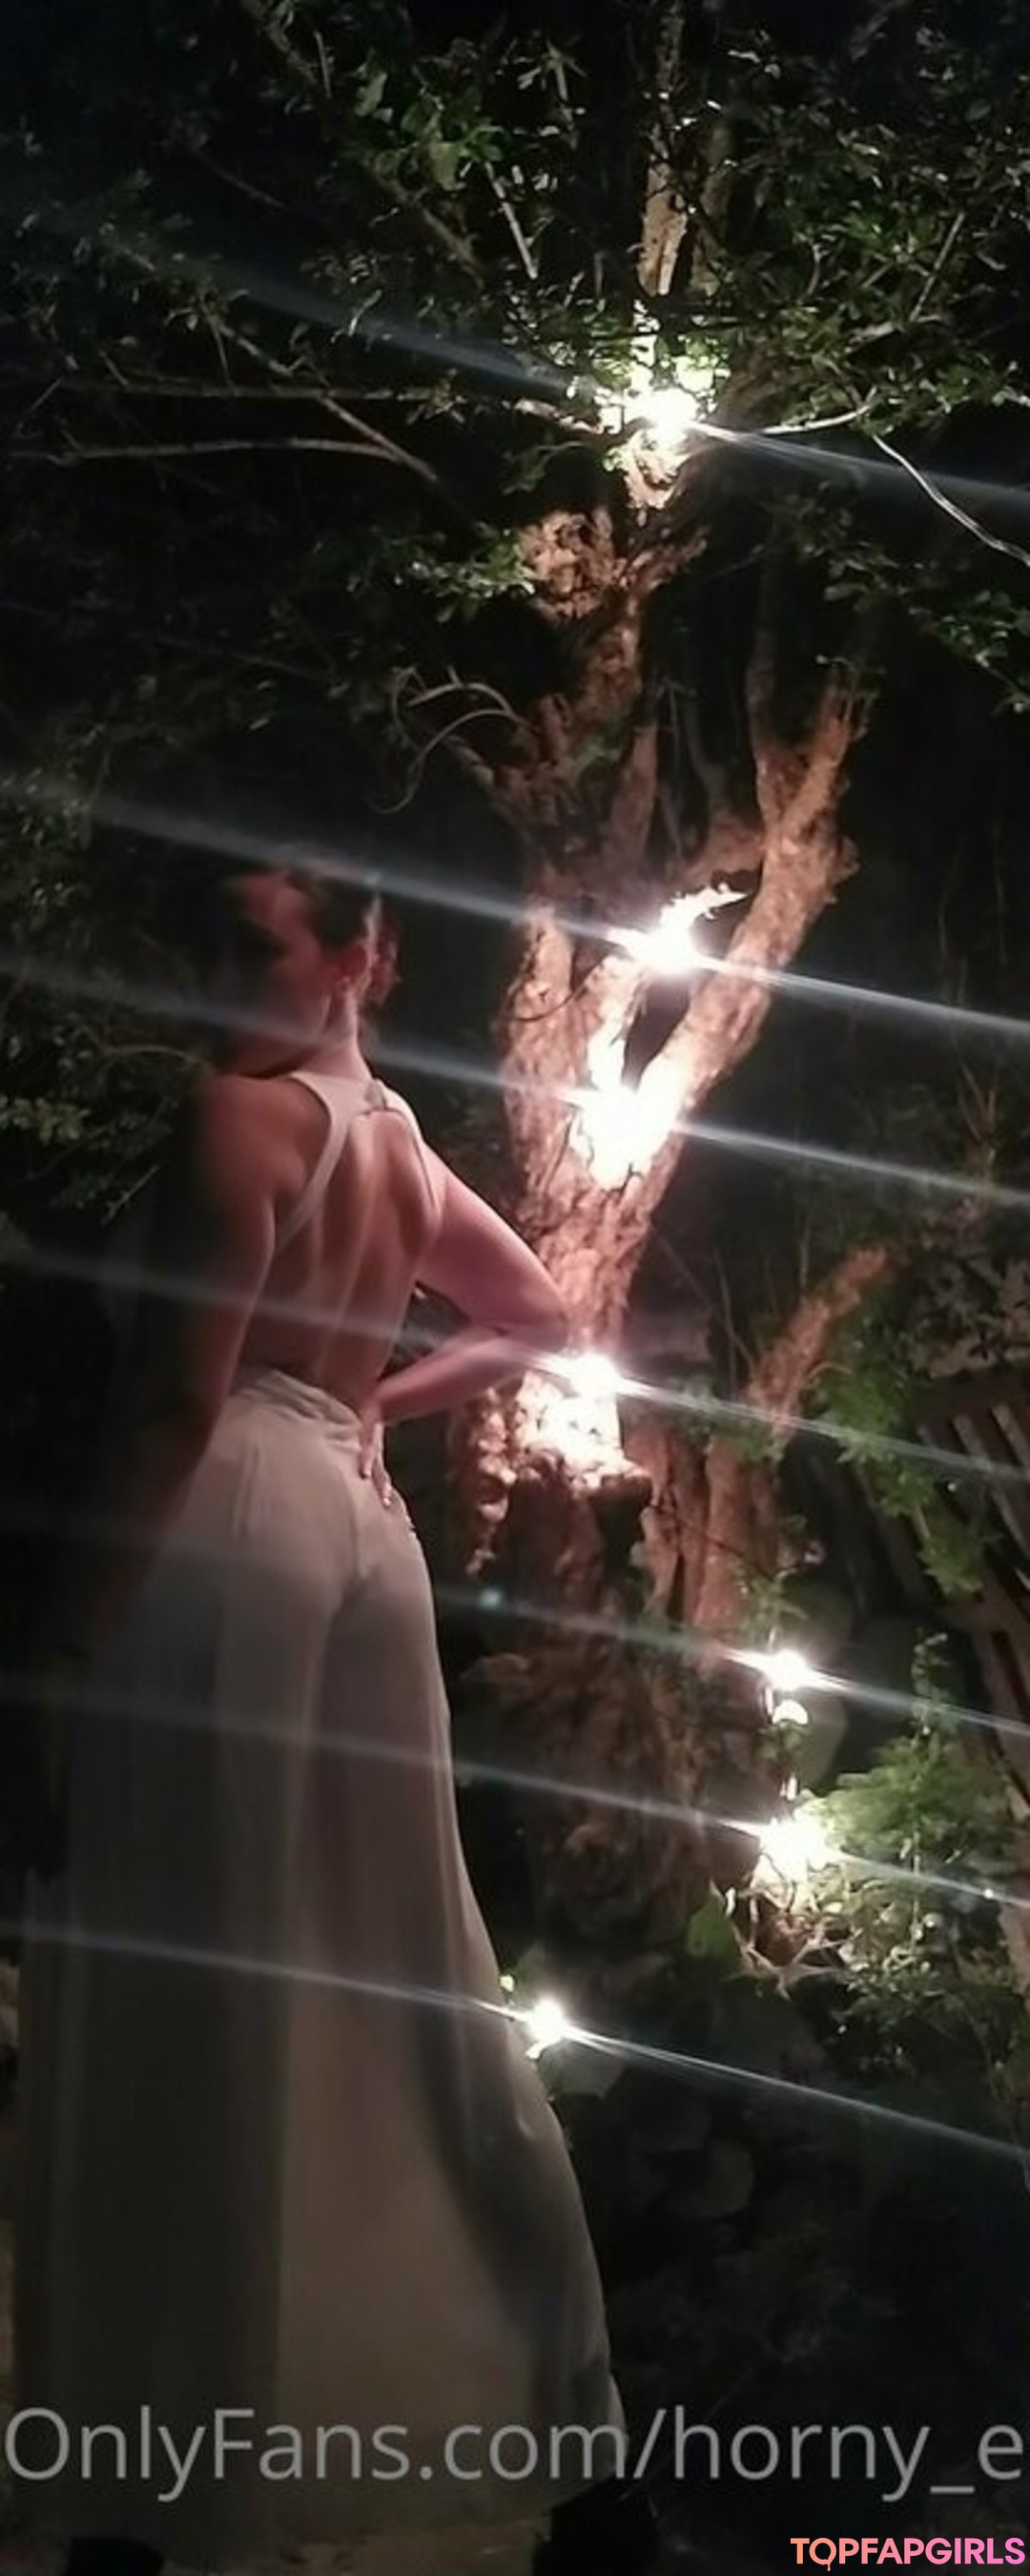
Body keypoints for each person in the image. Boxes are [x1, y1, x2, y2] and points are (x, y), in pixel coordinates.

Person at [11, 858, 661, 2574]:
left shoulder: (239, 1119)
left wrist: (56, 1653)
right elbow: (535, 1317)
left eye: (249, 944)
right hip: (359, 1535)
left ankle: (148, 2485)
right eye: (201, 940)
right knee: (407, 1966)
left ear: (360, 956)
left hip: (229, 1520)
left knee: (184, 1962)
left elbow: (172, 1403)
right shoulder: (395, 1143)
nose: (209, 976)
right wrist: (368, 1400)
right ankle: (564, 2435)